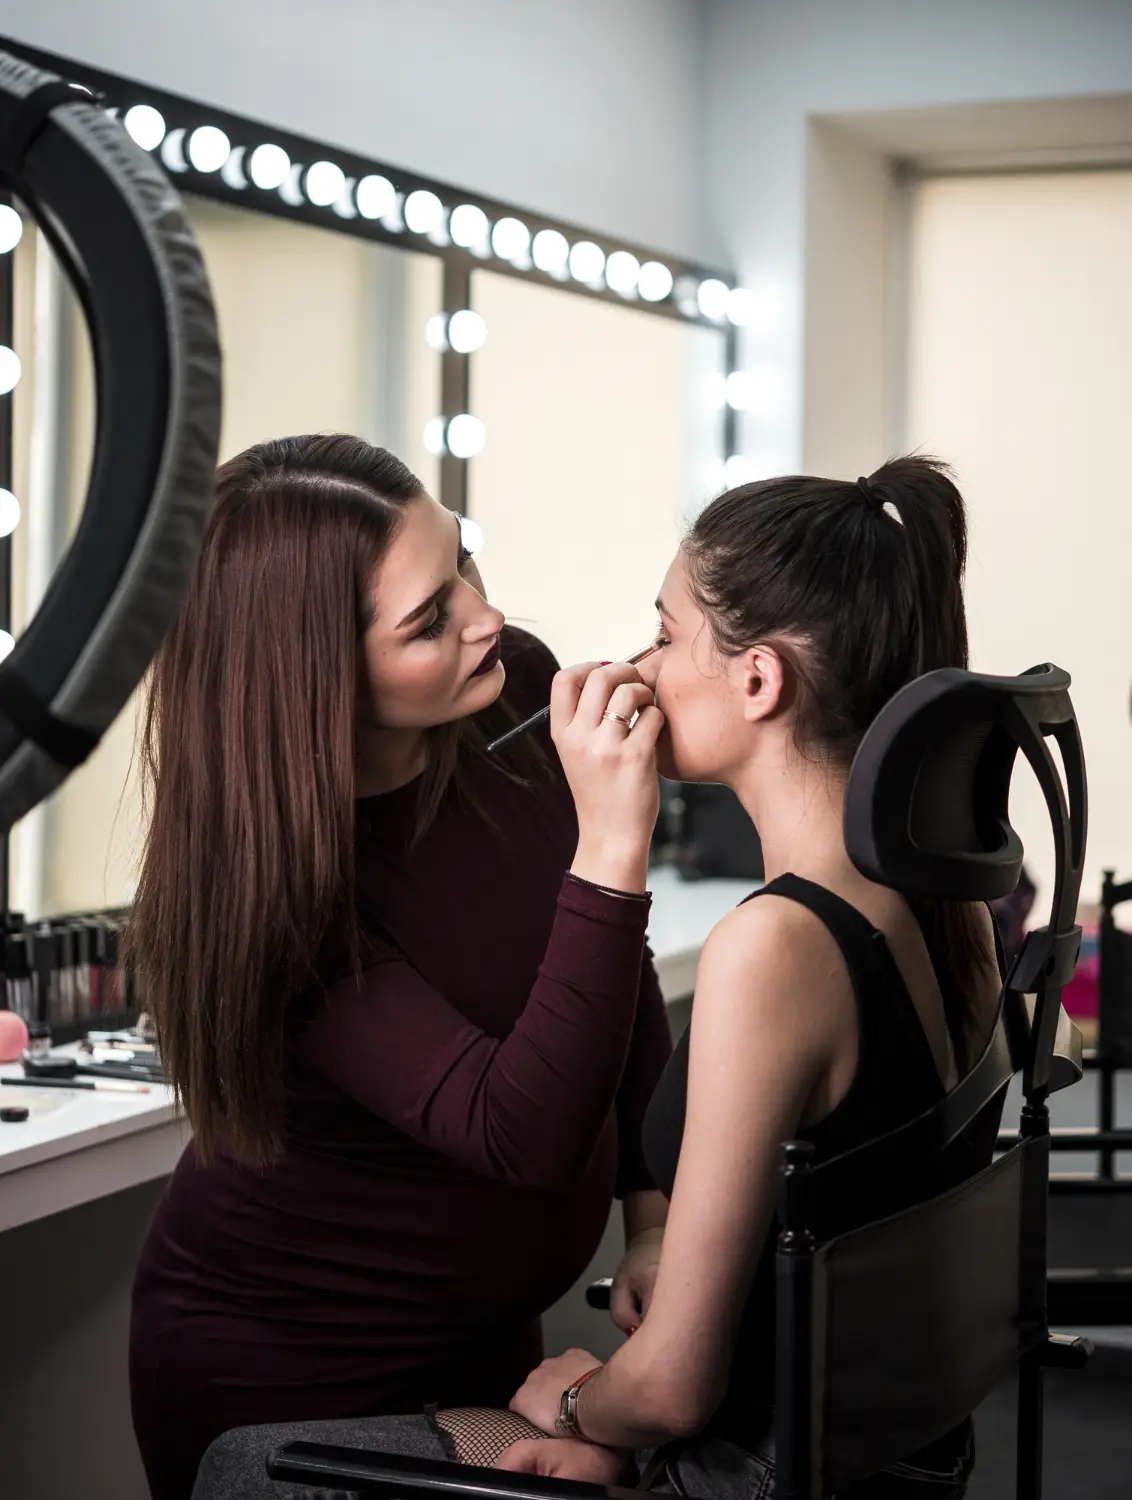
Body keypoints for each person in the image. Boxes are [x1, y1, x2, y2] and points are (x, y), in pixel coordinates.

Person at [193, 456, 1005, 1500]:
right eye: (432, 615)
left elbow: (668, 1391)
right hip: (870, 1457)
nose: (638, 663)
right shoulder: (953, 908)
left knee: (242, 1473)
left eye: (663, 635)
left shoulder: (772, 948)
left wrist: (579, 1407)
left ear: (758, 681)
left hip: (738, 1465)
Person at [127, 434, 674, 1500]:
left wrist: (650, 1215)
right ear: (314, 673)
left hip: (483, 1343)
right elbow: (520, 1133)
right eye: (429, 619)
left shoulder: (504, 683)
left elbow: (615, 979)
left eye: (462, 563)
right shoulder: (282, 900)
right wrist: (613, 845)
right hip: (288, 1373)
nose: (487, 617)